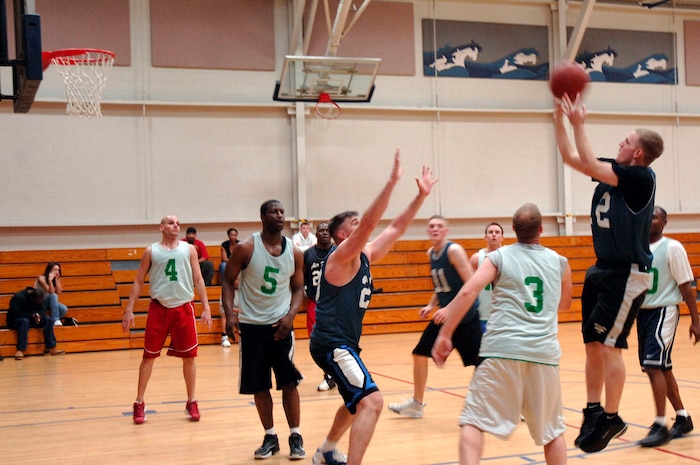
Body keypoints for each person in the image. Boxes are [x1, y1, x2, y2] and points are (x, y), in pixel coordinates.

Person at [309, 150, 436, 465]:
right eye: (355, 225)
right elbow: (370, 222)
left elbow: (395, 228)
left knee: (356, 402)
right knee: (373, 402)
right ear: (343, 235)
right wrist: (392, 183)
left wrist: (420, 197)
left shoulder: (364, 256)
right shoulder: (339, 257)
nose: (364, 227)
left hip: (343, 343)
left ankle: (325, 451)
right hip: (332, 343)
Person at [554, 93, 663, 453]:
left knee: (611, 348)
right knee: (591, 344)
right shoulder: (614, 172)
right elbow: (574, 158)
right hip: (601, 270)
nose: (621, 142)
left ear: (638, 154)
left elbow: (584, 158)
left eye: (627, 141)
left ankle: (613, 416)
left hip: (627, 274)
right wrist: (558, 118)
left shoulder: (640, 178)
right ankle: (593, 409)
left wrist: (578, 122)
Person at [433, 203, 573, 465]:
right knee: (553, 433)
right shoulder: (560, 262)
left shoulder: (498, 257)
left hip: (502, 349)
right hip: (544, 353)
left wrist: (445, 334)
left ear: (513, 230)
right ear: (541, 230)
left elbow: (467, 292)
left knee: (473, 421)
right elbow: (565, 304)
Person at [221, 200, 306, 460]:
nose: (279, 215)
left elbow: (298, 288)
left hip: (281, 326)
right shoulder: (247, 247)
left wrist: (291, 315)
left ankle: (295, 435)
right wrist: (229, 315)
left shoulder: (294, 251)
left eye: (282, 212)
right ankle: (270, 436)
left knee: (289, 382)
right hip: (252, 327)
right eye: (274, 211)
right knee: (260, 385)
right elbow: (227, 280)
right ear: (263, 216)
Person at [388, 215, 481, 419]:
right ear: (428, 231)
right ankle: (417, 404)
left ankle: (494, 405)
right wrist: (432, 304)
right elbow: (442, 285)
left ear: (446, 231)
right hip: (444, 316)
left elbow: (471, 284)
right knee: (420, 353)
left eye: (439, 226)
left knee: (482, 363)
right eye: (432, 226)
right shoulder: (431, 253)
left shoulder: (454, 251)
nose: (435, 229)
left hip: (465, 316)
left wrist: (449, 308)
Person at [122, 215, 212, 425]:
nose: (176, 225)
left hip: (183, 308)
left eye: (178, 223)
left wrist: (206, 307)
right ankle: (139, 402)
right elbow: (138, 281)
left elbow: (198, 279)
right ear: (161, 227)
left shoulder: (189, 250)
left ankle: (191, 401)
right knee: (149, 356)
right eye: (171, 223)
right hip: (159, 309)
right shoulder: (151, 251)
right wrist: (129, 309)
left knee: (190, 357)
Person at [636, 206, 700, 447]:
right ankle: (682, 417)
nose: (649, 219)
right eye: (647, 216)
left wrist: (695, 320)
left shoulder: (672, 248)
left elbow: (685, 285)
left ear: (664, 222)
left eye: (654, 216)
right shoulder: (638, 247)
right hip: (644, 314)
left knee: (654, 366)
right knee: (660, 367)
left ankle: (660, 425)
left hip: (664, 311)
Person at [303, 222, 337, 391]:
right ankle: (329, 374)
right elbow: (301, 277)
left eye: (326, 230)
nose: (324, 233)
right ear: (315, 234)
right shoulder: (308, 254)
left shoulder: (338, 252)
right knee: (316, 341)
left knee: (336, 340)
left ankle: (333, 375)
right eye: (320, 230)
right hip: (314, 303)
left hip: (335, 302)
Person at [8, 286, 66, 359]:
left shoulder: (40, 298)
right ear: (32, 298)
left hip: (32, 319)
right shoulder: (18, 297)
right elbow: (16, 313)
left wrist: (39, 316)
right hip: (16, 320)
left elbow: (42, 310)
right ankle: (20, 350)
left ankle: (51, 347)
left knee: (49, 320)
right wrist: (32, 316)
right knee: (24, 321)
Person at [469, 222, 504, 333]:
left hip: (504, 315)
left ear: (502, 237)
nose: (494, 234)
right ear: (485, 237)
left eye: (497, 232)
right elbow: (469, 287)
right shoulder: (476, 258)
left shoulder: (509, 257)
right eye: (490, 232)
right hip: (483, 314)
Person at [219, 227, 240, 347]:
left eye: (235, 235)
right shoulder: (229, 268)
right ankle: (224, 337)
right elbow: (225, 259)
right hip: (229, 291)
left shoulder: (244, 267)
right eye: (231, 235)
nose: (233, 237)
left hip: (240, 292)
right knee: (224, 313)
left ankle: (243, 335)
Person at [35, 262, 69, 326]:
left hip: (49, 301)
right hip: (40, 301)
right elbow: (51, 292)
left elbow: (59, 292)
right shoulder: (41, 278)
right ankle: (55, 319)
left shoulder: (57, 278)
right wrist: (50, 281)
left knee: (64, 309)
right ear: (49, 270)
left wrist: (56, 280)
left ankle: (51, 321)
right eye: (55, 270)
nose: (57, 272)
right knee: (53, 295)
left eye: (58, 270)